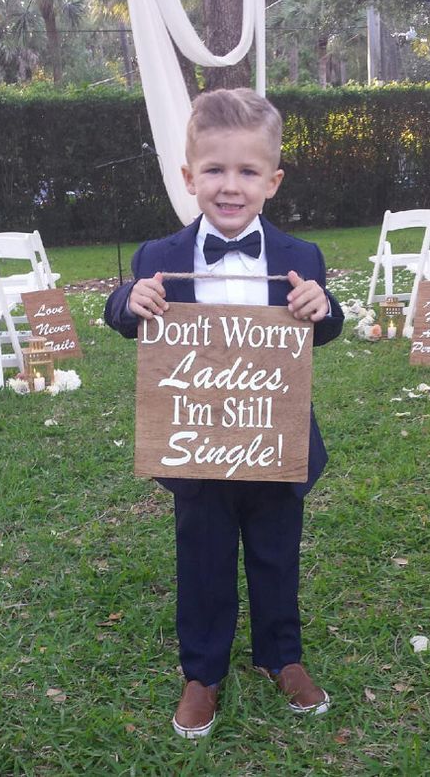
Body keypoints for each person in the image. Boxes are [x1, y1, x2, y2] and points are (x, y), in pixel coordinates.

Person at [105, 88, 344, 739]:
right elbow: (119, 315)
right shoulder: (159, 257)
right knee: (203, 557)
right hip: (196, 446)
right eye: (214, 170)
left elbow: (325, 328)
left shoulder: (301, 258)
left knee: (276, 553)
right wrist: (133, 298)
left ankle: (281, 656)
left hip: (274, 438)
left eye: (246, 171)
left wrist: (323, 309)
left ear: (272, 179)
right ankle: (203, 672)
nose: (229, 186)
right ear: (189, 177)